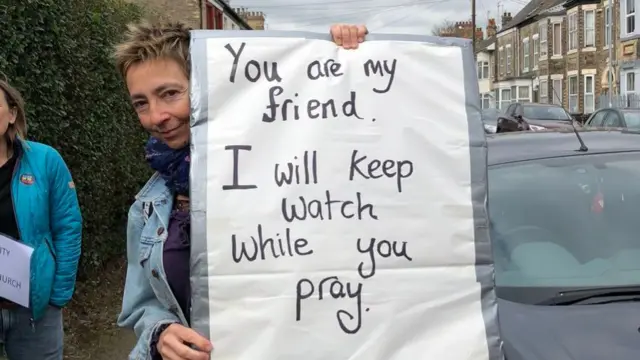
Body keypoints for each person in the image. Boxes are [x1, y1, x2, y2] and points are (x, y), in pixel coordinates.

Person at [114, 23, 368, 360]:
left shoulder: (291, 172)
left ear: (208, 85)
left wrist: (342, 52)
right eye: (140, 103)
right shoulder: (148, 207)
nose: (156, 116)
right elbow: (141, 304)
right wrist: (160, 332)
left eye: (170, 93)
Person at [0, 80, 82, 360]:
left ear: (12, 114)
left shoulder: (46, 160)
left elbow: (68, 226)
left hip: (34, 307)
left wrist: (57, 295)